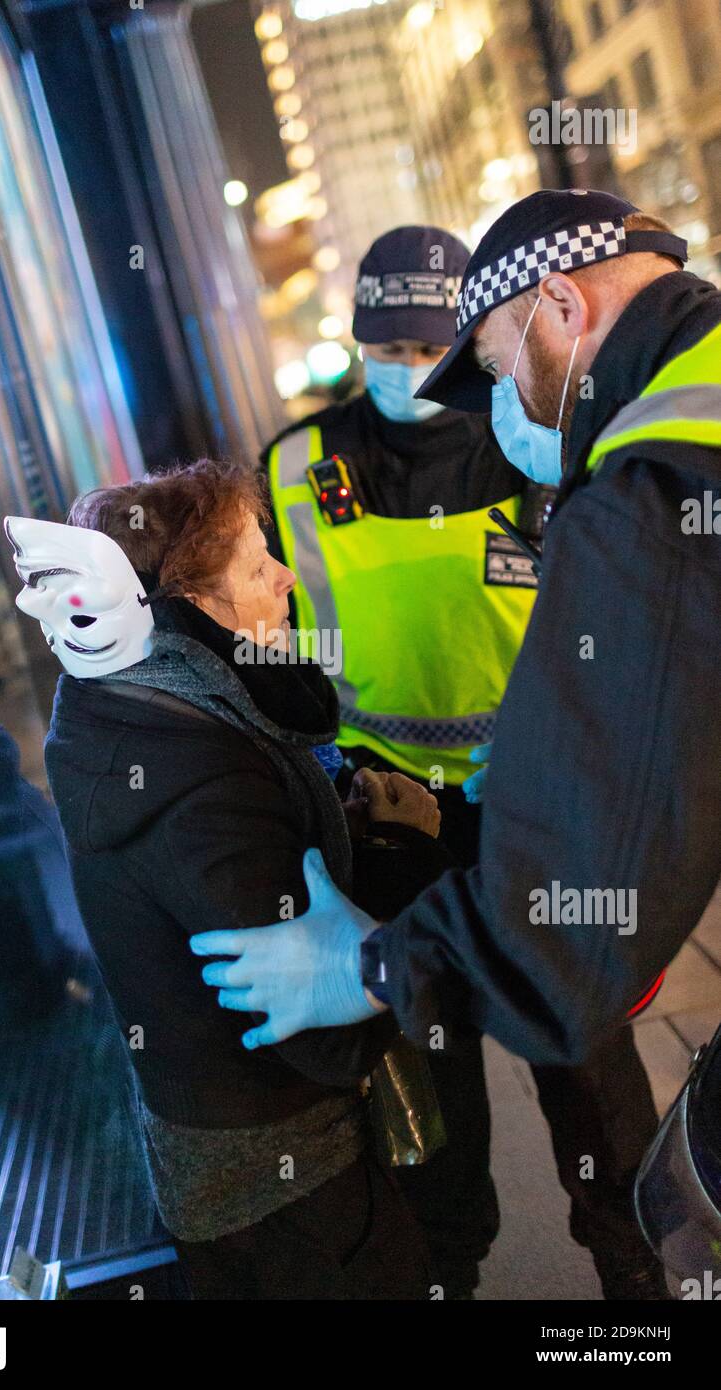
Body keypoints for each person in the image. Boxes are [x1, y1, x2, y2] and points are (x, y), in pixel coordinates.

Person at [191, 188, 721, 1296]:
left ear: (559, 307)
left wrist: (368, 964)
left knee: (613, 1140)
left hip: (520, 830)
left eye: (482, 357)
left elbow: (587, 897)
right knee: (442, 1149)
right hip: (395, 813)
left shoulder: (641, 482)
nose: (494, 404)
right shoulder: (681, 419)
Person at [7, 460, 452, 1300]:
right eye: (256, 567)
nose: (286, 577)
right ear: (186, 618)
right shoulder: (201, 778)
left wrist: (340, 823)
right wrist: (405, 852)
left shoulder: (134, 716)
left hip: (239, 1182)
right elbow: (329, 1031)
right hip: (292, 1193)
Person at [261, 225, 543, 866]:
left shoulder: (532, 449)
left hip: (529, 773)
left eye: (428, 346)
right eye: (389, 347)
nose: (411, 364)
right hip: (374, 789)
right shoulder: (292, 465)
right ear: (360, 342)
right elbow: (260, 631)